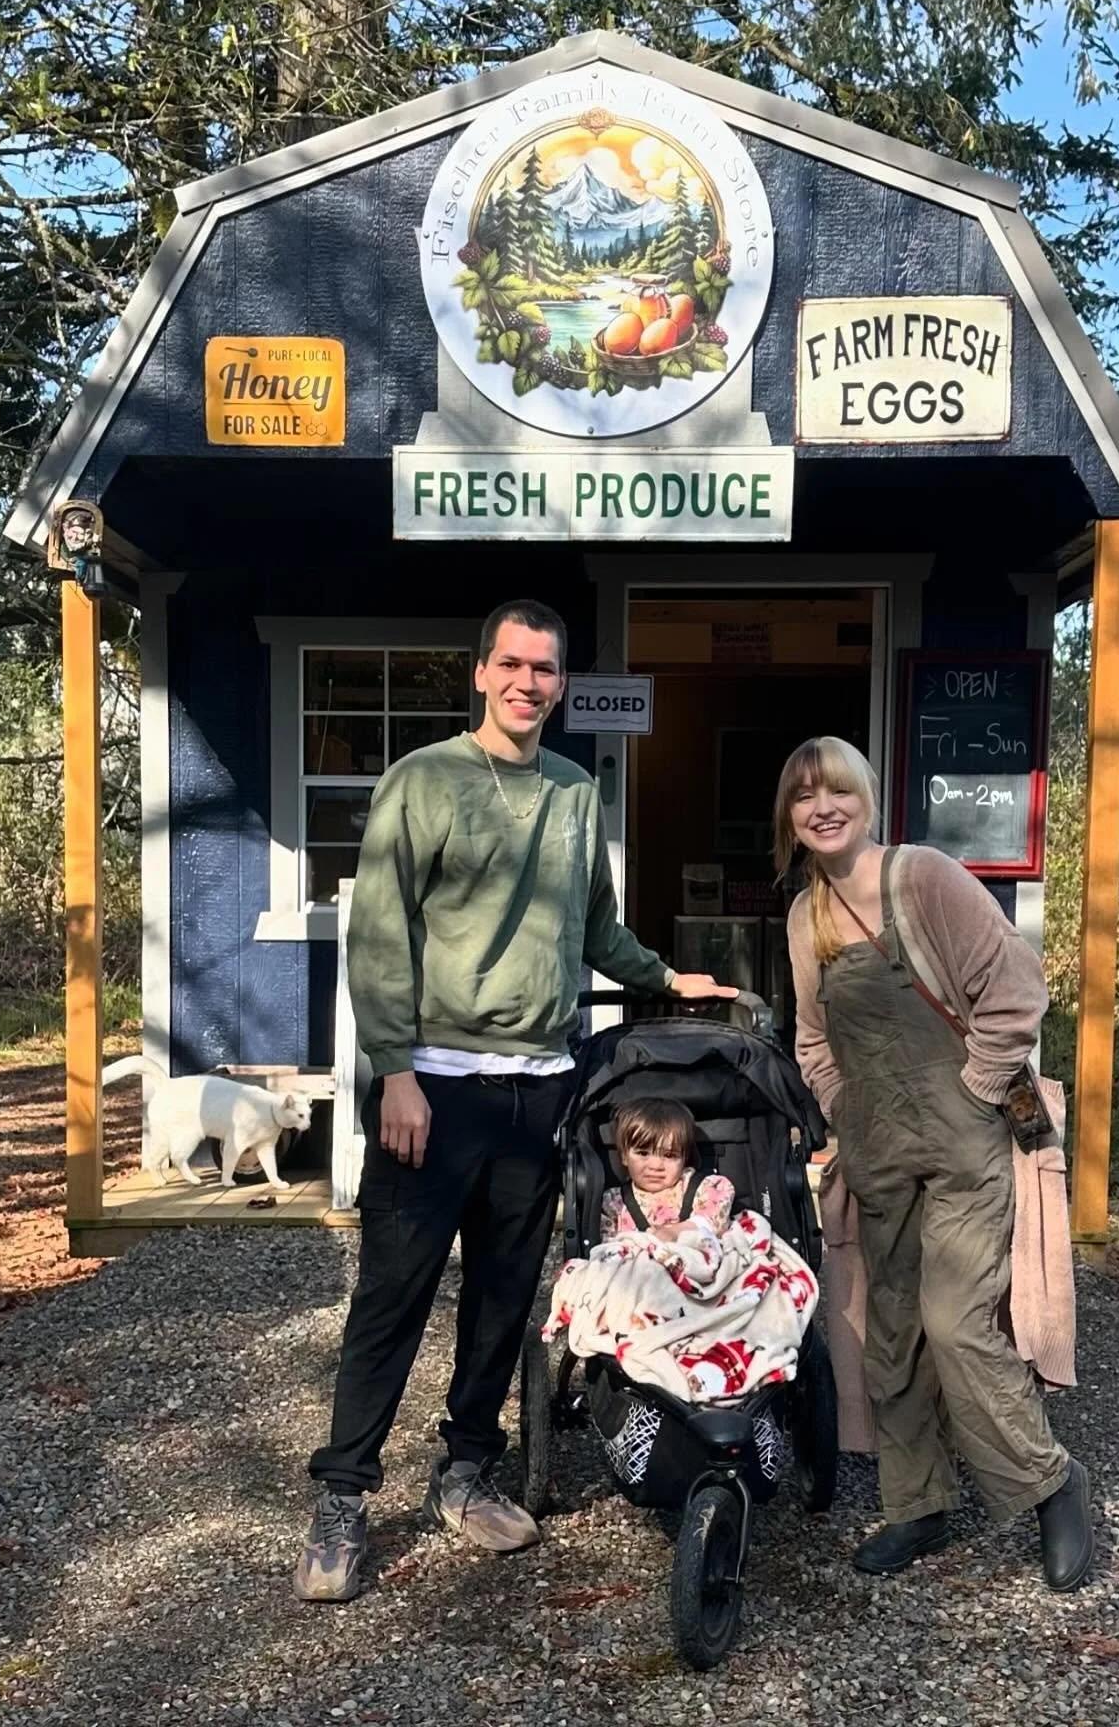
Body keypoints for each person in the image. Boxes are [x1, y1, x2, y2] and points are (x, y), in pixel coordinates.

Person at [293, 599, 735, 1602]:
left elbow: (597, 929)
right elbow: (379, 935)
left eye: (546, 668)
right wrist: (396, 1072)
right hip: (435, 1092)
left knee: (501, 1300)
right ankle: (343, 1503)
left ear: (562, 684)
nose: (528, 682)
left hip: (542, 1092)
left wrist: (673, 977)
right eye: (512, 664)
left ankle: (466, 1471)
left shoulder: (578, 794)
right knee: (393, 1300)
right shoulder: (426, 780)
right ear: (481, 673)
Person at [775, 735, 1093, 1592]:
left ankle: (1051, 1482)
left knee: (957, 1323)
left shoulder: (923, 878)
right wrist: (845, 1107)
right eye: (804, 797)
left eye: (837, 790)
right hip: (880, 1153)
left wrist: (977, 1083)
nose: (822, 807)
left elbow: (1017, 988)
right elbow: (812, 1037)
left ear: (868, 798)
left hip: (963, 1147)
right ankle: (917, 1505)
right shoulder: (807, 917)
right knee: (895, 1335)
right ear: (791, 817)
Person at [599, 1098, 735, 1245]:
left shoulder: (698, 1187)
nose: (656, 1166)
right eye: (643, 1153)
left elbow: (715, 1213)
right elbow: (607, 1248)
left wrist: (677, 1231)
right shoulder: (613, 1203)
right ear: (624, 1156)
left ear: (684, 1159)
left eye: (669, 1155)